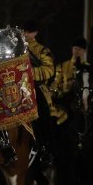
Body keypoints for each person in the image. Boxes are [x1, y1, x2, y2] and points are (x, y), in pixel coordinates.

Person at [23, 20, 67, 167]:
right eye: (24, 31)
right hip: (18, 87)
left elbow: (49, 70)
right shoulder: (15, 49)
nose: (25, 34)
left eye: (28, 31)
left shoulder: (42, 51)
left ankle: (45, 148)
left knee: (43, 115)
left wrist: (27, 73)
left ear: (35, 33)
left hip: (36, 87)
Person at [52, 37, 89, 103]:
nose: (77, 51)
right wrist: (66, 86)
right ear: (72, 49)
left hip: (83, 100)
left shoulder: (88, 68)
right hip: (65, 99)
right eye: (75, 48)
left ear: (84, 51)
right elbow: (55, 85)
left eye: (79, 49)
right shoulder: (62, 66)